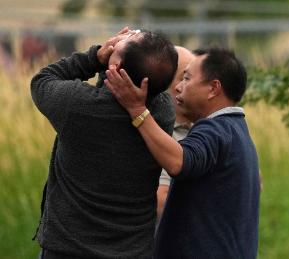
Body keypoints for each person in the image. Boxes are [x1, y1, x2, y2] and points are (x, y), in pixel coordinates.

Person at [30, 28, 178, 258]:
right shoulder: (162, 112)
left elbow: (42, 80)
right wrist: (114, 63)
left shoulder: (77, 107)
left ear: (116, 68)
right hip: (133, 250)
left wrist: (95, 57)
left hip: (69, 249)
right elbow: (121, 96)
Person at [105, 47, 260, 258]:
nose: (178, 87)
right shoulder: (238, 132)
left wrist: (137, 110)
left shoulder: (215, 130)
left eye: (186, 79)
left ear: (213, 88)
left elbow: (180, 161)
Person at [156, 46, 195, 222]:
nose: (188, 86)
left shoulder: (209, 125)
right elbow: (161, 202)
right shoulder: (159, 134)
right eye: (185, 78)